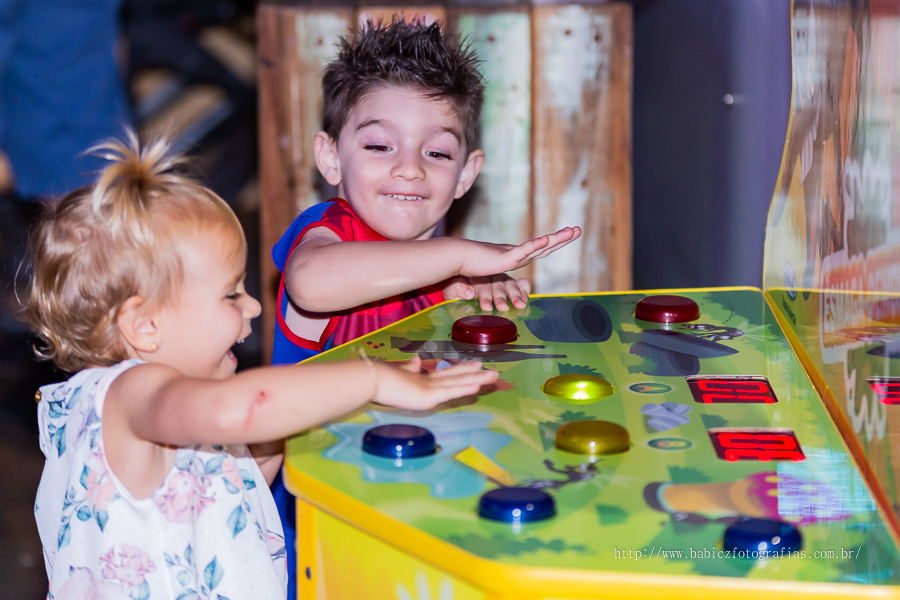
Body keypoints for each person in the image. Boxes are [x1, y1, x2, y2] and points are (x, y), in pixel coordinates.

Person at [24, 132, 498, 600]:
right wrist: (370, 378)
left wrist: (286, 435)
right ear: (145, 324)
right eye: (231, 293)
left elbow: (233, 494)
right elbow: (245, 408)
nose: (253, 306)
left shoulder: (177, 410)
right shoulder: (132, 394)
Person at [270, 20, 582, 596]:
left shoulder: (447, 276)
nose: (409, 167)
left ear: (465, 173)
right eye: (379, 145)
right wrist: (460, 254)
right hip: (322, 526)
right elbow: (310, 286)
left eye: (436, 152)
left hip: (422, 504)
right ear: (331, 157)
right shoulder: (325, 237)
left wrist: (478, 303)